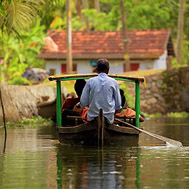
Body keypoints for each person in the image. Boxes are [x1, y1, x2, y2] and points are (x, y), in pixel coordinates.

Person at [79, 59, 122, 124]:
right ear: (108, 69)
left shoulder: (90, 81)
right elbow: (118, 105)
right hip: (109, 119)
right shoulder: (113, 82)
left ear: (97, 69)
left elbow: (83, 102)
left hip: (93, 118)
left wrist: (84, 106)